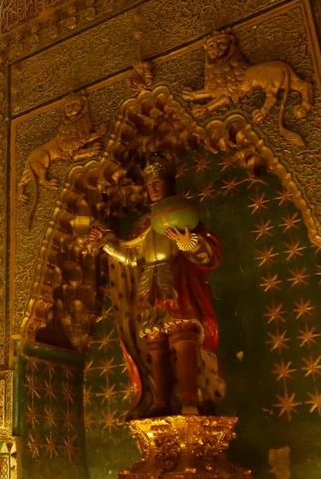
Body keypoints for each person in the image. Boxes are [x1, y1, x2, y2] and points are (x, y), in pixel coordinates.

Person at [86, 156, 224, 418]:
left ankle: (189, 399)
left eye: (157, 183)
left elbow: (209, 254)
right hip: (149, 283)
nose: (153, 188)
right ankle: (160, 401)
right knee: (154, 340)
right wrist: (106, 242)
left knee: (184, 335)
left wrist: (188, 243)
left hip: (177, 280)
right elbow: (131, 257)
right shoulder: (144, 225)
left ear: (170, 185)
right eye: (149, 185)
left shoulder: (181, 216)